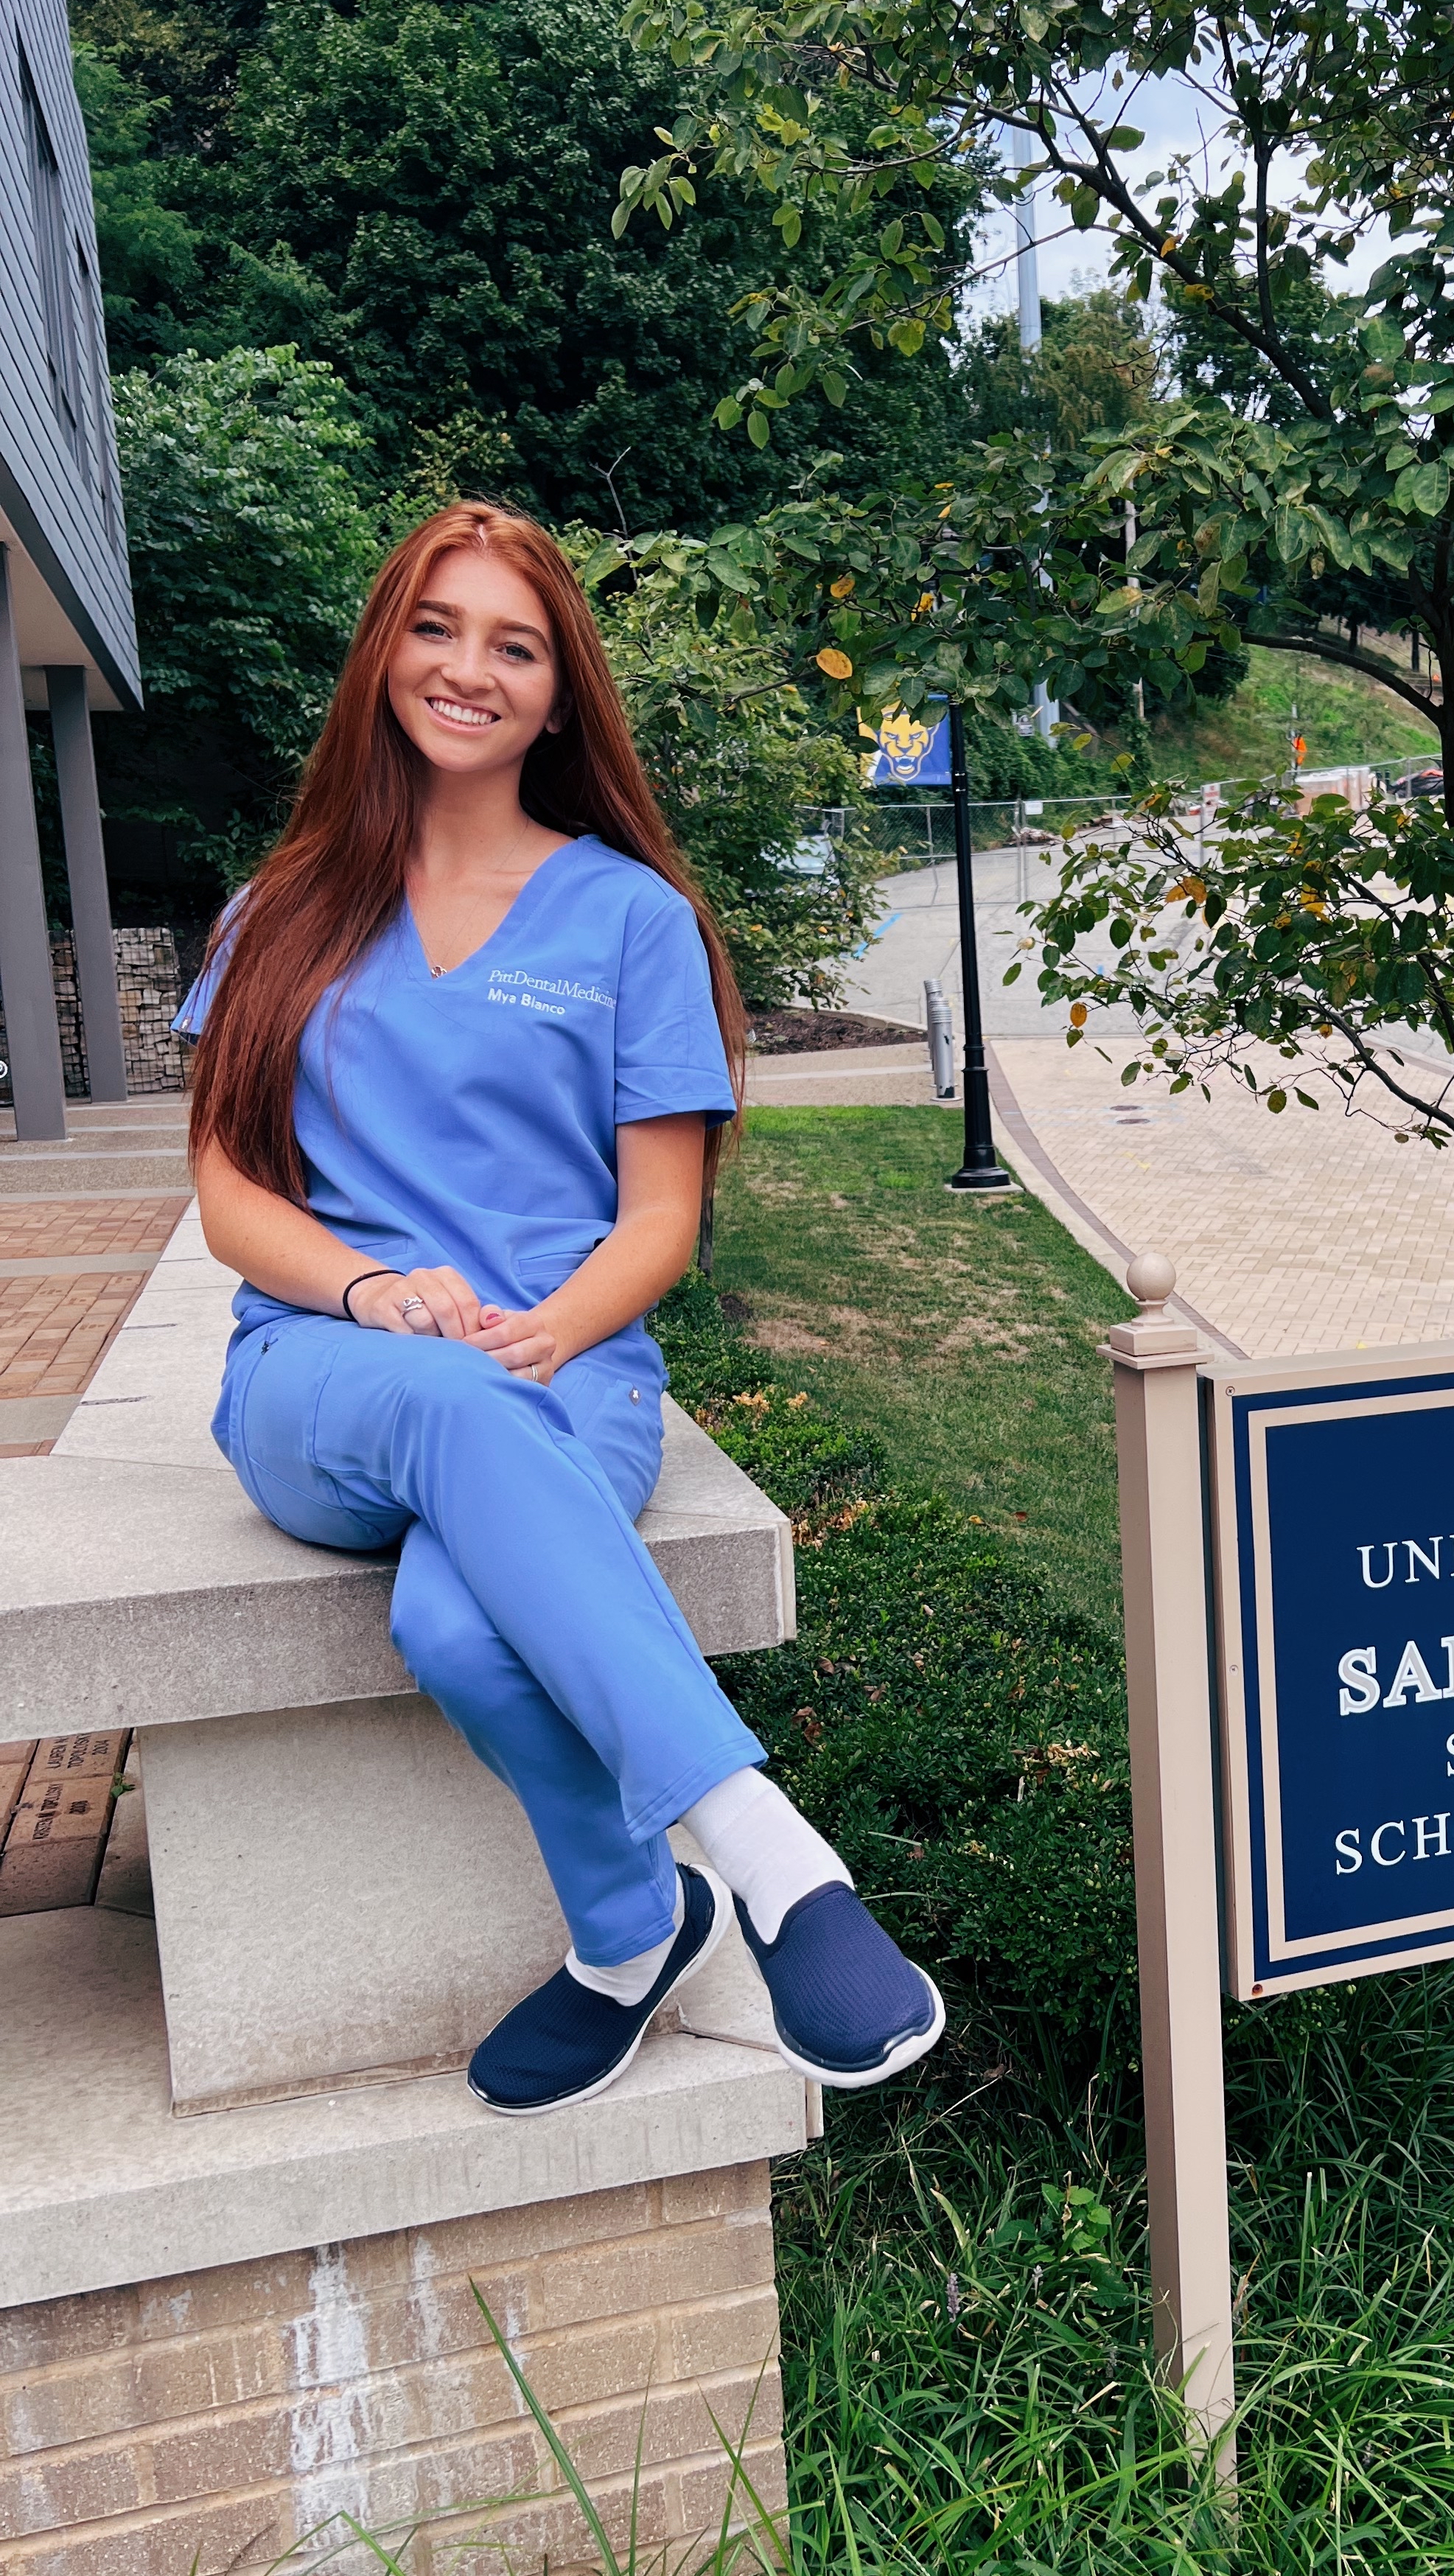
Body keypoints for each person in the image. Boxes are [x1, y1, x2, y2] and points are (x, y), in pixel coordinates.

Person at [175, 502, 944, 2115]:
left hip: (568, 1358)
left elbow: (663, 1215)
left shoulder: (630, 920)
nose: (470, 669)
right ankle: (772, 1856)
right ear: (384, 651)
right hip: (323, 1369)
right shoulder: (283, 907)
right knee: (450, 1405)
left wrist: (554, 1327)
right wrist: (373, 1289)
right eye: (437, 628)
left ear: (559, 689)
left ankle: (625, 1932)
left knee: (460, 1624)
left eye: (514, 645)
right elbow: (233, 1197)